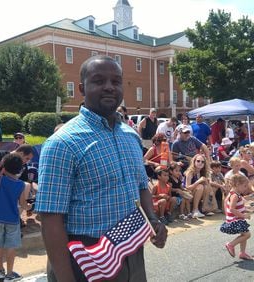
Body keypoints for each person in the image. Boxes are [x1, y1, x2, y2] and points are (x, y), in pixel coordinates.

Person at [35, 55, 167, 281]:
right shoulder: (63, 143)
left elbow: (140, 186)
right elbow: (50, 219)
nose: (109, 87)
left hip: (131, 252)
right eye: (98, 81)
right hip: (85, 259)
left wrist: (153, 220)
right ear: (81, 88)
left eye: (116, 81)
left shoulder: (130, 136)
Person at [220, 174, 253, 260]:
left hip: (236, 219)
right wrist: (243, 215)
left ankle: (242, 253)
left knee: (244, 234)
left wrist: (245, 208)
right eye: (244, 186)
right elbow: (231, 209)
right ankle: (231, 244)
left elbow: (234, 206)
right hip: (235, 221)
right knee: (247, 235)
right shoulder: (235, 195)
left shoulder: (233, 193)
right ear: (238, 185)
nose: (246, 188)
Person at [184, 154, 210, 218]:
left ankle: (204, 208)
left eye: (202, 162)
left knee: (206, 187)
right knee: (200, 186)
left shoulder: (202, 172)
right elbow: (187, 187)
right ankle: (194, 210)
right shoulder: (190, 172)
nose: (200, 163)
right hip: (187, 194)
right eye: (198, 161)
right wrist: (198, 181)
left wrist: (206, 182)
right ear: (194, 162)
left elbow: (208, 187)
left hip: (196, 193)